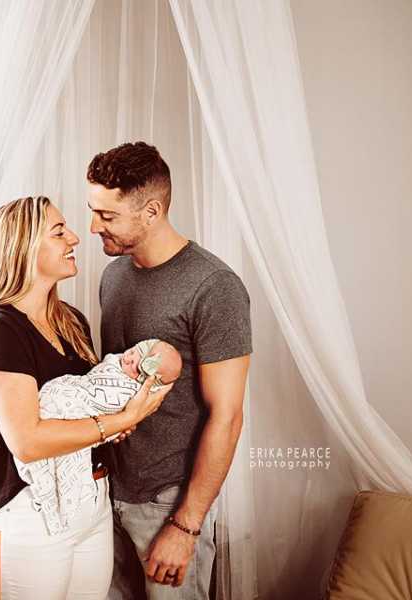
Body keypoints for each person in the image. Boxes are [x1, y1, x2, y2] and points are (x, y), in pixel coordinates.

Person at [0, 195, 173, 600]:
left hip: (91, 503)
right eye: (58, 231)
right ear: (24, 247)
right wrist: (121, 421)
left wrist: (104, 428)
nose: (74, 237)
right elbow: (28, 442)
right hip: (30, 512)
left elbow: (85, 405)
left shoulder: (70, 321)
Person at [86, 142, 252, 600]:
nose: (93, 226)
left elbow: (228, 416)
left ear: (152, 211)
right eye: (93, 211)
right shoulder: (114, 276)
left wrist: (185, 525)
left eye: (107, 215)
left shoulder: (215, 288)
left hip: (168, 504)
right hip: (108, 497)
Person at [16, 339, 182, 537]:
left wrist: (121, 420)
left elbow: (122, 403)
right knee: (57, 400)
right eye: (131, 353)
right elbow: (97, 379)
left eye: (138, 370)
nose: (128, 361)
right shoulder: (116, 362)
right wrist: (125, 418)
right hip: (68, 406)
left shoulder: (134, 389)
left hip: (126, 491)